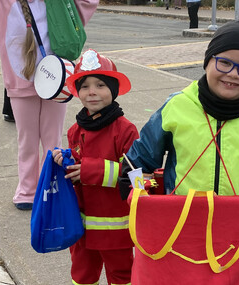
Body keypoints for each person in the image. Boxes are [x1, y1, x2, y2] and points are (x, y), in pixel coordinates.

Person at [119, 18, 239, 281]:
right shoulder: (177, 106)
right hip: (180, 225)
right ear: (208, 61)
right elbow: (138, 160)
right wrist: (137, 198)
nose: (233, 74)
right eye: (224, 62)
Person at [0, 0, 99, 210]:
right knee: (28, 140)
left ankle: (50, 186)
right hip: (25, 82)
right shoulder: (1, 4)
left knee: (52, 140)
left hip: (55, 80)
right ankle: (28, 190)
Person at [53, 49, 139, 285]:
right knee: (81, 275)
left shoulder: (125, 130)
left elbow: (137, 176)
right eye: (85, 86)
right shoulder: (74, 130)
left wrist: (94, 171)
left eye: (100, 84)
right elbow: (75, 172)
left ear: (113, 89)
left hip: (115, 228)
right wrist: (64, 161)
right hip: (80, 226)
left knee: (122, 275)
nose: (91, 92)